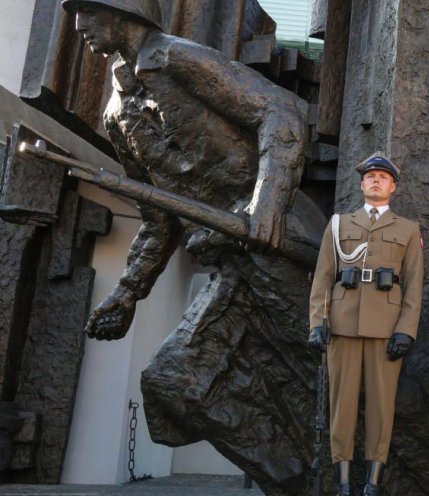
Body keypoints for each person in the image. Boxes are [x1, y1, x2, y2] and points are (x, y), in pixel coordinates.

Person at [63, 0, 324, 492]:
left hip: (280, 241)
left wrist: (265, 204)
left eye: (89, 12)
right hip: (229, 264)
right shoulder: (117, 116)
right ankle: (305, 479)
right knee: (172, 383)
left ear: (126, 13)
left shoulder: (178, 59)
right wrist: (127, 293)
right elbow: (159, 217)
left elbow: (281, 111)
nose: (80, 27)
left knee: (328, 364)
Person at [308, 152, 423, 496]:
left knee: (380, 407)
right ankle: (343, 482)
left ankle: (373, 481)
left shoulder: (407, 229)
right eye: (371, 176)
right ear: (361, 184)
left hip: (385, 329)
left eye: (383, 177)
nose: (376, 180)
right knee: (340, 406)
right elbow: (323, 277)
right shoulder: (339, 224)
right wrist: (318, 321)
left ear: (393, 187)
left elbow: (414, 284)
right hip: (342, 325)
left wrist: (405, 329)